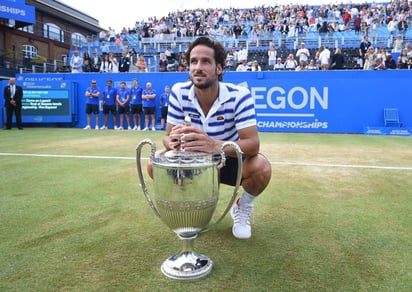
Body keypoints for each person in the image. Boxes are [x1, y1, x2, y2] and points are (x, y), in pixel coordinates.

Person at [153, 36, 271, 239]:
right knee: (153, 163)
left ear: (219, 68)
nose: (198, 67)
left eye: (206, 61)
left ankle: (242, 207)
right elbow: (166, 138)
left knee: (262, 167)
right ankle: (190, 211)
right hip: (195, 163)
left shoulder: (239, 95)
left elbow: (252, 144)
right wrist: (171, 143)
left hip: (228, 160)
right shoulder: (178, 92)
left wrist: (214, 145)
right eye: (193, 61)